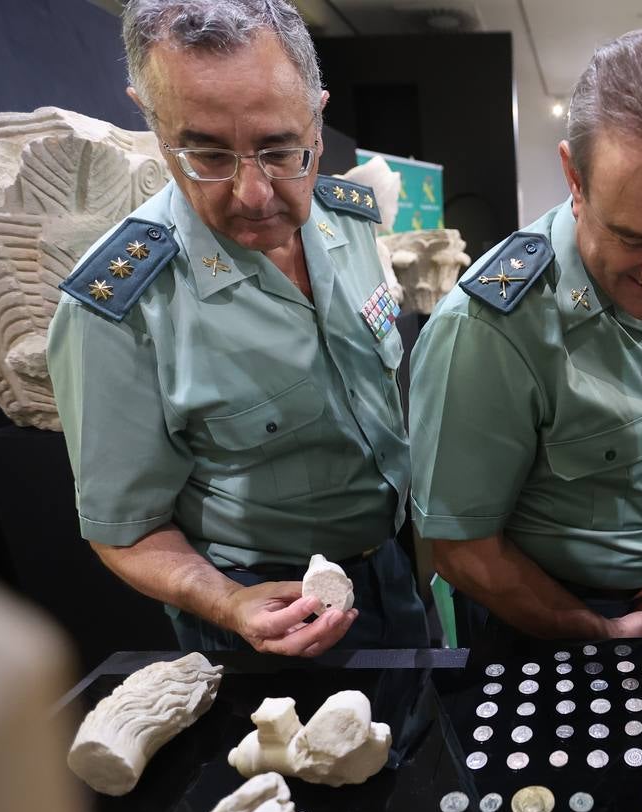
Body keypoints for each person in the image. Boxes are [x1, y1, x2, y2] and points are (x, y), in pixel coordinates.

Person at [47, 0, 427, 656]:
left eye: (282, 150)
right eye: (207, 155)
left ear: (318, 112)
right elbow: (124, 530)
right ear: (153, 122)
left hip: (396, 570)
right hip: (266, 606)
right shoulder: (122, 304)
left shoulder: (350, 222)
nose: (254, 193)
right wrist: (225, 601)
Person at [408, 20, 642, 644]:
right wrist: (599, 630)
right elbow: (459, 549)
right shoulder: (490, 330)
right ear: (575, 179)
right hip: (536, 623)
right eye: (634, 239)